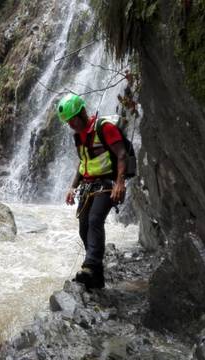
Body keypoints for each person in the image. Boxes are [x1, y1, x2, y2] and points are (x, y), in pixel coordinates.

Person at [57, 93, 127, 289]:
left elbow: (121, 154)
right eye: (68, 122)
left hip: (107, 184)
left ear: (81, 113)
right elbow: (82, 163)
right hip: (88, 187)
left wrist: (120, 183)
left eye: (72, 120)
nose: (71, 125)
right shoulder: (78, 137)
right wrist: (72, 187)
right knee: (84, 227)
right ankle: (96, 277)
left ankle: (90, 266)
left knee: (95, 220)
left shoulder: (105, 128)